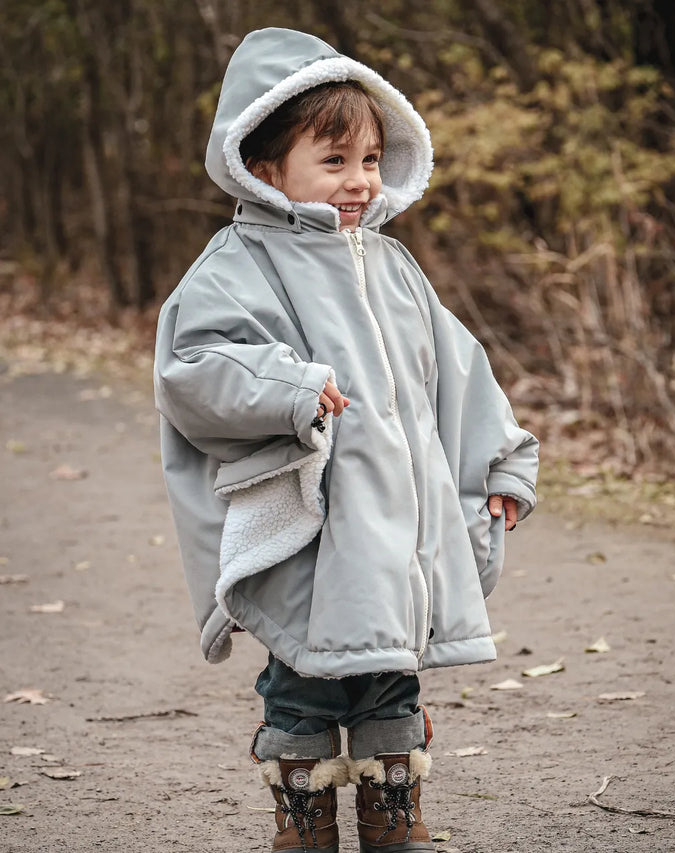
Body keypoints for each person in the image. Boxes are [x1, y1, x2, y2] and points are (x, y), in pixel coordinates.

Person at [154, 27, 539, 853]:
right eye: (334, 162)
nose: (360, 179)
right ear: (263, 167)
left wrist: (503, 464)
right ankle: (306, 816)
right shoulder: (236, 263)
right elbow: (195, 369)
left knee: (391, 677)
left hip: (397, 524)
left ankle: (394, 812)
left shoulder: (395, 267)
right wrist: (291, 387)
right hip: (314, 525)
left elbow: (460, 375)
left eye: (369, 158)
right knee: (304, 680)